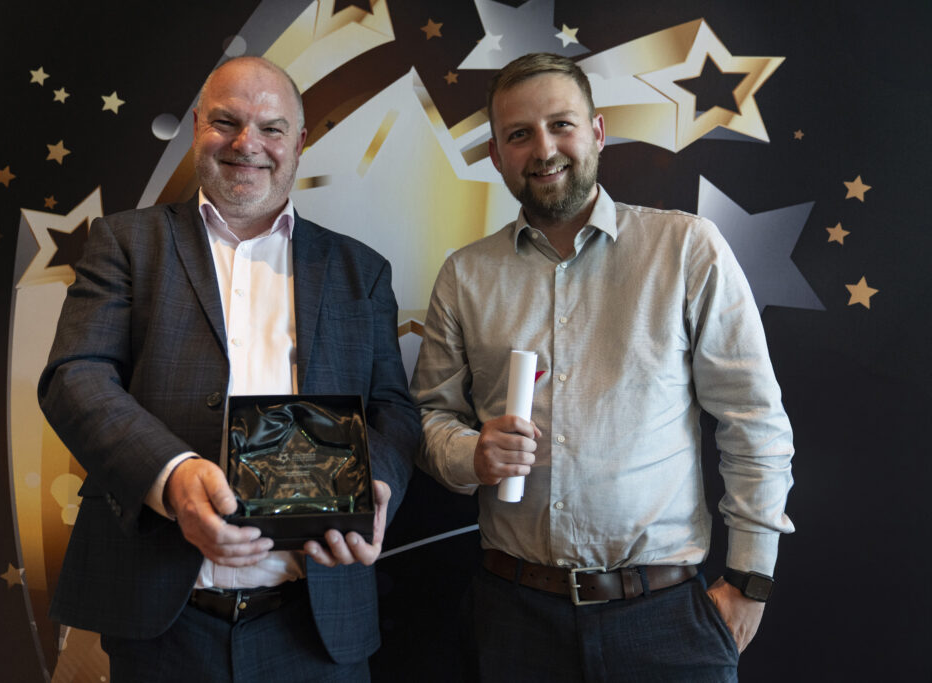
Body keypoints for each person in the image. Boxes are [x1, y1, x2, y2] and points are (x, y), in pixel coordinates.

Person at [410, 52, 794, 682]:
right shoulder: (466, 275)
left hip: (666, 618)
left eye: (561, 124)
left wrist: (750, 580)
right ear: (498, 155)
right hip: (512, 616)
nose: (544, 148)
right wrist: (470, 454)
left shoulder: (686, 249)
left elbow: (754, 421)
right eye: (519, 134)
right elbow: (428, 418)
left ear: (597, 132)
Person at [39, 56, 418, 682]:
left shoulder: (360, 270)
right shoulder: (126, 243)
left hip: (315, 624)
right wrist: (172, 474)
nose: (248, 145)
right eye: (226, 122)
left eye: (271, 128)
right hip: (162, 619)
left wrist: (377, 487)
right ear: (196, 128)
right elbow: (75, 376)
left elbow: (395, 411)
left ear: (299, 143)